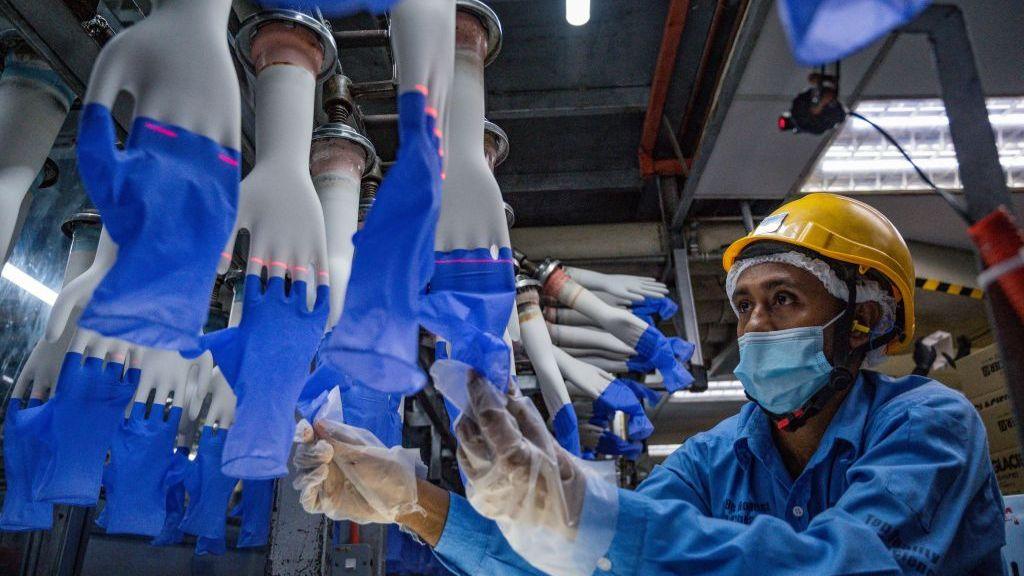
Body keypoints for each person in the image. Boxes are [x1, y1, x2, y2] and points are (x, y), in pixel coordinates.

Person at [292, 193, 1006, 575]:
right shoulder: (717, 456)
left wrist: (587, 520)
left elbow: (849, 566)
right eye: (745, 305)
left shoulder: (928, 424)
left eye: (784, 299)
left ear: (866, 319)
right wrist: (415, 503)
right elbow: (584, 561)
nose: (755, 325)